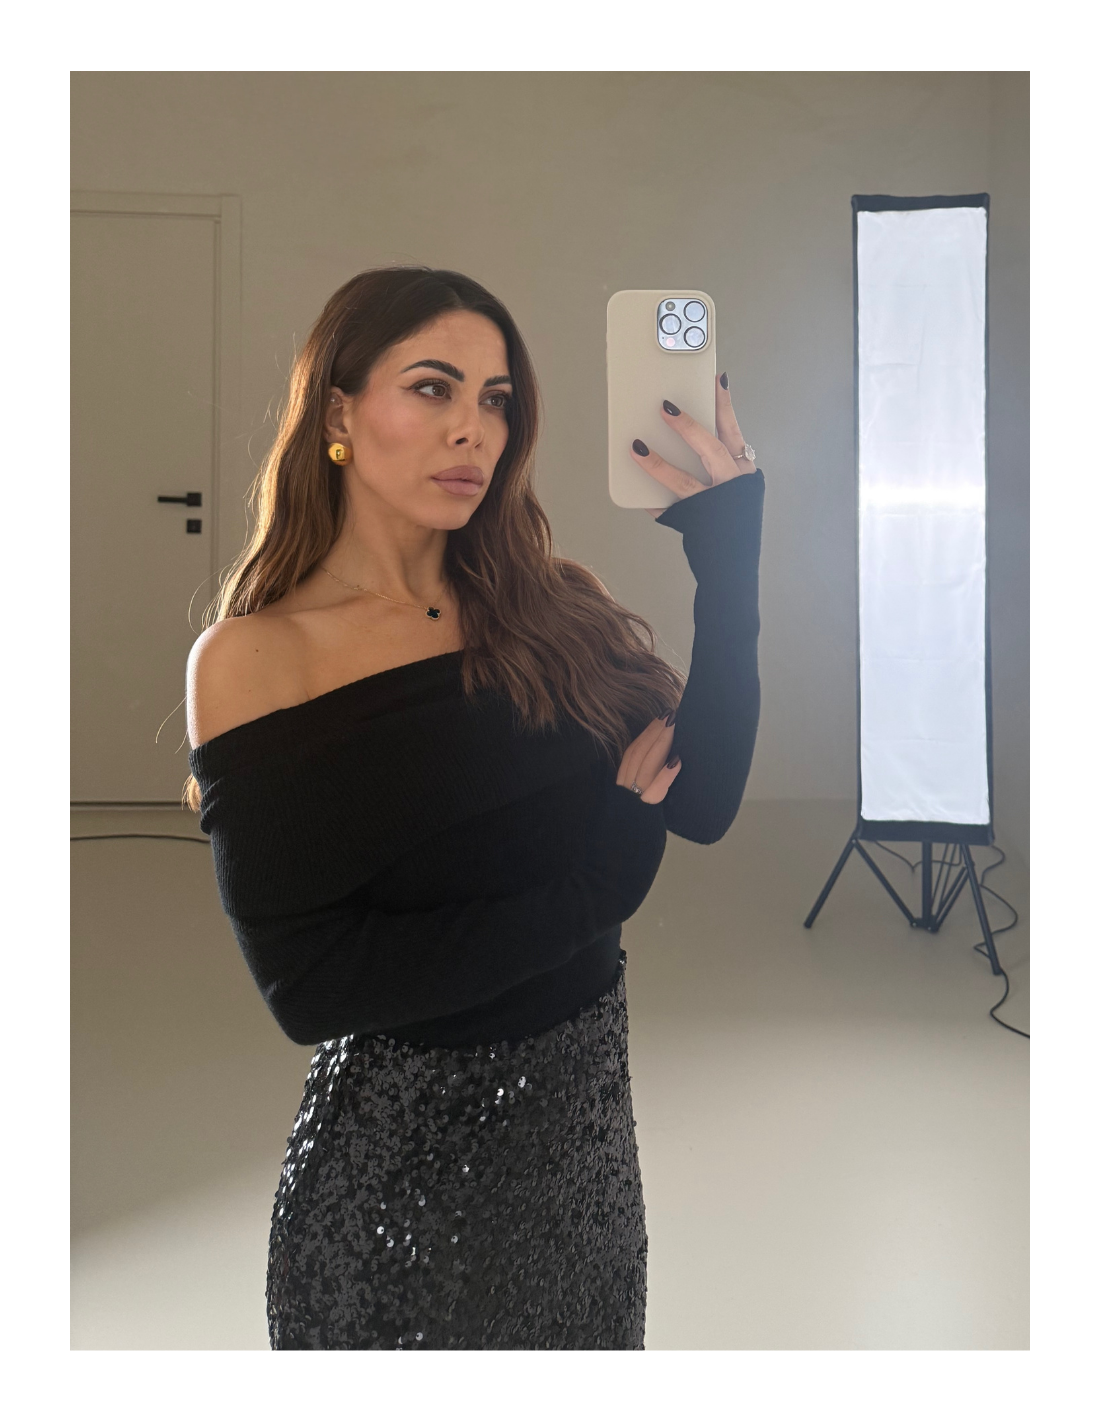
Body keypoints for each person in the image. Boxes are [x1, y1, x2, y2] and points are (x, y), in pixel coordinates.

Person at [185, 265, 764, 1350]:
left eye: (495, 399)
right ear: (338, 413)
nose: (472, 429)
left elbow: (705, 799)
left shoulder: (551, 607)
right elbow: (312, 988)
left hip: (584, 1164)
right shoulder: (258, 659)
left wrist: (728, 565)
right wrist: (593, 890)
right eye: (432, 388)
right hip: (397, 1195)